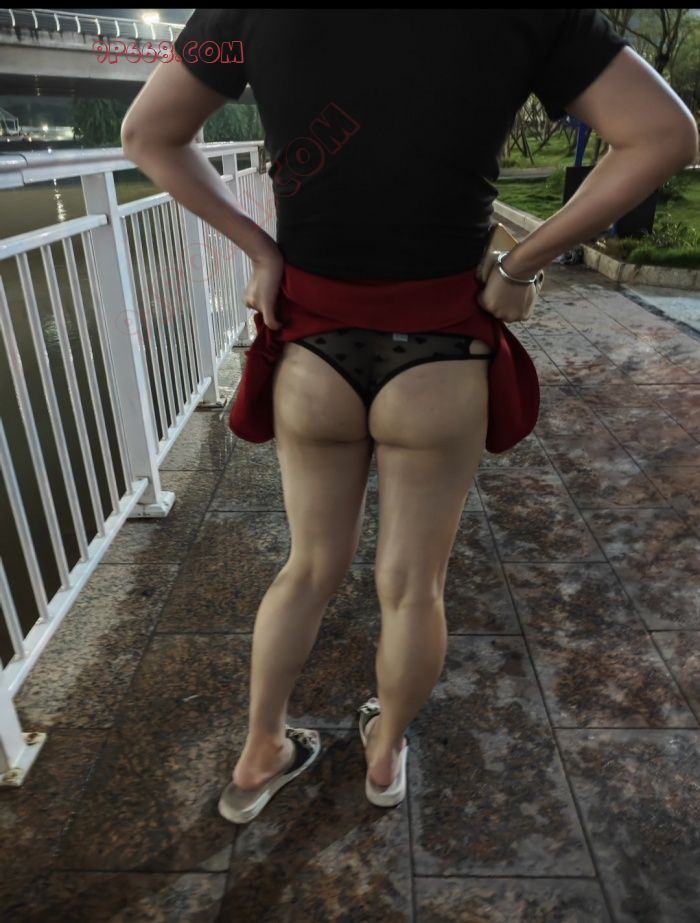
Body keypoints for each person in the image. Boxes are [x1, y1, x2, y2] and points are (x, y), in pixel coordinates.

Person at [121, 10, 698, 823]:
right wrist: (520, 265)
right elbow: (665, 136)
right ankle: (385, 754)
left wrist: (259, 249)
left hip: (313, 348)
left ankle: (260, 753)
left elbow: (147, 134)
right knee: (413, 588)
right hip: (441, 353)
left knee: (307, 569)